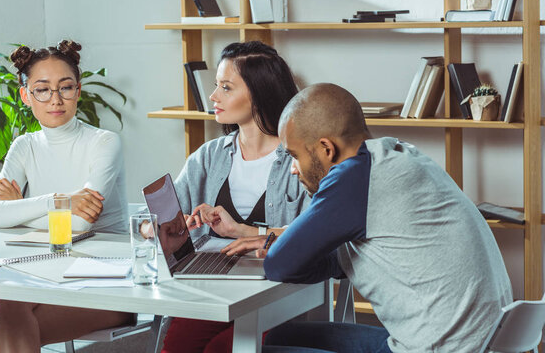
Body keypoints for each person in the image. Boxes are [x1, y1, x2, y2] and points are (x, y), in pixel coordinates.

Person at [261, 83, 512, 353]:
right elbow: (341, 262)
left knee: (259, 348)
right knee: (280, 336)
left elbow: (279, 265)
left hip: (440, 349)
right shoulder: (400, 155)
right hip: (483, 342)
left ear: (326, 149)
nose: (292, 170)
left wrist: (289, 248)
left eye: (295, 155)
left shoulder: (353, 178)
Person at [161, 41, 310, 353]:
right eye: (217, 85)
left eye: (226, 87)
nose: (214, 96)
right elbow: (168, 216)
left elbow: (313, 238)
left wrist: (243, 232)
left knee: (222, 349)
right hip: (214, 285)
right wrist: (161, 230)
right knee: (177, 344)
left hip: (277, 290)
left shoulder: (301, 160)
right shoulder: (208, 156)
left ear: (259, 93)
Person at [0, 41, 133, 352]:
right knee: (9, 308)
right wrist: (60, 201)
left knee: (7, 320)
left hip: (107, 278)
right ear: (26, 96)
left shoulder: (104, 142)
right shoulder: (24, 146)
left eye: (65, 87)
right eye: (42, 89)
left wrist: (18, 208)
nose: (56, 99)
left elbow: (80, 223)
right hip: (46, 269)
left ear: (78, 91)